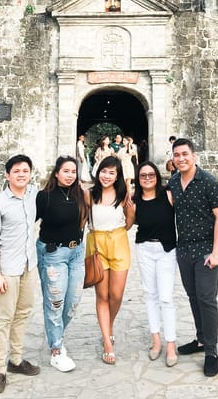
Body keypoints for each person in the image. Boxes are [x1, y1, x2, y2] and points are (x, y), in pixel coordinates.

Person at [167, 138, 218, 378]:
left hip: (205, 250)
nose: (181, 158)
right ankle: (201, 340)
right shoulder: (173, 183)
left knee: (206, 298)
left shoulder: (208, 182)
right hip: (184, 250)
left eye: (185, 154)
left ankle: (211, 352)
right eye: (177, 155)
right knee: (193, 296)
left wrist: (216, 252)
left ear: (193, 156)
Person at [0, 154, 40, 394]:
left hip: (29, 266)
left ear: (30, 174)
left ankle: (16, 360)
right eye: (16, 171)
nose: (21, 174)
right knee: (4, 319)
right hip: (8, 269)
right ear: (7, 175)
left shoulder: (33, 195)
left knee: (23, 314)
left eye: (25, 170)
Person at [36, 156, 87, 372]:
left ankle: (56, 334)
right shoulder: (44, 197)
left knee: (72, 303)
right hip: (53, 254)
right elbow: (27, 220)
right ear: (56, 173)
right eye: (65, 171)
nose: (69, 175)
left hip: (77, 253)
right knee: (55, 302)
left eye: (73, 172)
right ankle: (56, 349)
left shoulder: (80, 195)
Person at [83, 156, 134, 365]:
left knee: (116, 294)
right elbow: (83, 218)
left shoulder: (123, 196)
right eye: (104, 171)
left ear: (117, 175)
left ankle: (109, 324)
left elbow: (130, 221)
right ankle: (107, 341)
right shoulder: (89, 195)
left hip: (118, 240)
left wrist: (117, 232)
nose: (106, 176)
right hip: (96, 244)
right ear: (98, 171)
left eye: (112, 173)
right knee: (102, 295)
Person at [133, 161, 178, 367]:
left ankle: (170, 344)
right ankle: (156, 340)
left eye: (151, 174)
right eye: (143, 175)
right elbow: (128, 223)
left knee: (166, 298)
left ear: (157, 176)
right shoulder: (135, 200)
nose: (147, 178)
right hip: (144, 249)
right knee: (150, 294)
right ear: (138, 178)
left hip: (166, 250)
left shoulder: (168, 195)